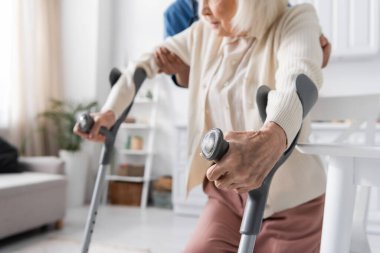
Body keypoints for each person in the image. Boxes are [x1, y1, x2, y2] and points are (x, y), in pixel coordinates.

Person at [75, 0, 329, 252]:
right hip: (228, 199)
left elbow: (297, 80)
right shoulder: (204, 32)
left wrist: (271, 137)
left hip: (292, 204)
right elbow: (142, 64)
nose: (202, 10)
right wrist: (109, 112)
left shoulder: (296, 20)